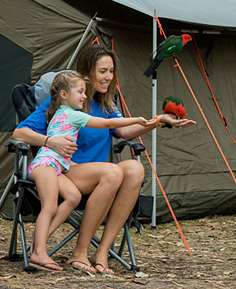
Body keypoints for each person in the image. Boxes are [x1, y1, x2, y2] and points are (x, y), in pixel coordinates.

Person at [13, 46, 195, 275]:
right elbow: (19, 133)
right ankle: (80, 252)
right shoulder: (67, 104)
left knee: (135, 168)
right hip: (66, 171)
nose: (109, 77)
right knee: (113, 172)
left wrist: (159, 120)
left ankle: (102, 253)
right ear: (87, 73)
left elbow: (125, 132)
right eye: (102, 71)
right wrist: (50, 141)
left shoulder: (106, 104)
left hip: (99, 177)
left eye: (111, 71)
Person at [27, 70, 158, 271]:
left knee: (72, 197)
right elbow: (106, 123)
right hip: (46, 163)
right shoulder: (72, 114)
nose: (84, 96)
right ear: (63, 94)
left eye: (113, 71)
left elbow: (112, 125)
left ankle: (39, 245)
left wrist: (154, 122)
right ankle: (39, 251)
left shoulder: (65, 111)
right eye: (80, 91)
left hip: (59, 165)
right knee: (50, 206)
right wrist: (135, 119)